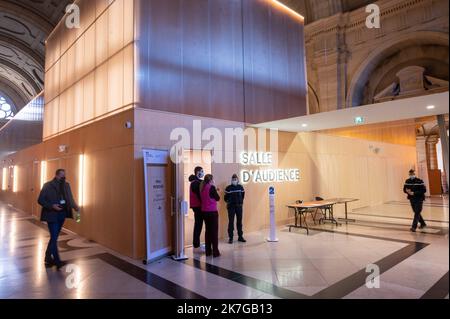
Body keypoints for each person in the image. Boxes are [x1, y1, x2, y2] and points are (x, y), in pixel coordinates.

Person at [38, 169, 79, 269]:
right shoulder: (47, 185)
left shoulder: (66, 185)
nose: (64, 177)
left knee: (54, 237)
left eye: (64, 175)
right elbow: (40, 200)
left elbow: (70, 198)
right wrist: (52, 206)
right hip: (51, 215)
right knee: (54, 237)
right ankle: (57, 261)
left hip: (62, 214)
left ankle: (48, 258)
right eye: (62, 176)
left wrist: (75, 207)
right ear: (56, 175)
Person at [200, 174, 221, 257]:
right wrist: (215, 190)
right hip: (212, 212)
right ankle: (215, 252)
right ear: (211, 180)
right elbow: (217, 198)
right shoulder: (211, 187)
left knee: (207, 232)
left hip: (204, 212)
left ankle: (208, 251)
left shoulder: (202, 187)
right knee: (214, 232)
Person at [224, 174, 246, 244]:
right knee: (231, 222)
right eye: (233, 179)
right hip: (231, 207)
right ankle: (231, 238)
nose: (234, 180)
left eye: (235, 179)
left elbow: (243, 196)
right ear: (231, 180)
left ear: (237, 180)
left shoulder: (241, 187)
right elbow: (225, 198)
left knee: (239, 222)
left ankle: (240, 236)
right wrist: (230, 202)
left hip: (239, 206)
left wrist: (240, 202)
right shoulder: (228, 188)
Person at [189, 166, 204, 250]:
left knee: (198, 224)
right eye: (201, 171)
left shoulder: (196, 181)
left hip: (197, 206)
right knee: (198, 225)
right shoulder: (195, 183)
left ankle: (196, 243)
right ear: (197, 172)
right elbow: (199, 194)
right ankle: (196, 244)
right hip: (197, 206)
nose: (202, 172)